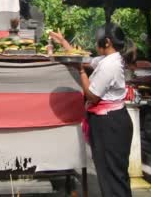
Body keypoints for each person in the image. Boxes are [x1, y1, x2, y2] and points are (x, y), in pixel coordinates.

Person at [50, 23, 136, 197]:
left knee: (112, 176)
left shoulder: (109, 65)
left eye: (97, 41)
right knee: (111, 174)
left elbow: (92, 96)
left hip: (110, 124)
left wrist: (81, 71)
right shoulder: (108, 59)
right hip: (111, 121)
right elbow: (85, 59)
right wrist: (63, 42)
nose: (95, 44)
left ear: (107, 42)